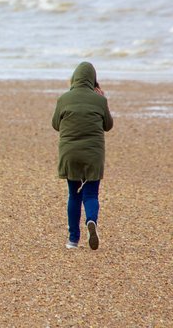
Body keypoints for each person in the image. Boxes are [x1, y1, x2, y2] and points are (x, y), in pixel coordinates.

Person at [52, 61, 113, 250]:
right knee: (91, 194)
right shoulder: (100, 100)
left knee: (73, 195)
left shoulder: (63, 99)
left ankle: (72, 240)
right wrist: (103, 99)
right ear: (93, 80)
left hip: (70, 153)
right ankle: (91, 221)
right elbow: (108, 126)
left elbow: (55, 125)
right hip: (93, 154)